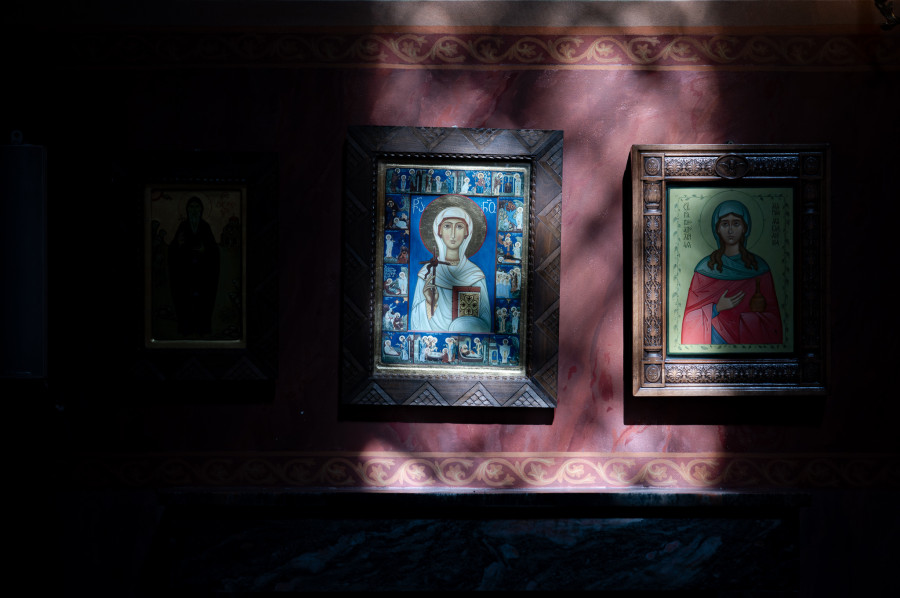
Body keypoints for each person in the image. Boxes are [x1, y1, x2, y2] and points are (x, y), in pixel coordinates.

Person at [681, 198, 782, 345]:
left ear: (745, 228)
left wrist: (754, 317)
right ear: (717, 229)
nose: (730, 230)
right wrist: (717, 308)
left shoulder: (760, 268)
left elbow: (774, 322)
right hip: (715, 338)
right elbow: (689, 320)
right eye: (724, 224)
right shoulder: (704, 269)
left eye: (736, 223)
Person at [410, 198, 491, 333]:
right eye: (447, 226)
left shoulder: (474, 275)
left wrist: (463, 325)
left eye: (459, 227)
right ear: (439, 231)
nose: (453, 234)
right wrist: (429, 303)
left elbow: (485, 324)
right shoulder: (427, 272)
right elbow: (415, 321)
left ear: (467, 232)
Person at [168, 196, 220, 335]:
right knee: (185, 303)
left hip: (203, 274)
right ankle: (185, 330)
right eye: (191, 207)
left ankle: (203, 330)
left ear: (202, 210)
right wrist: (178, 245)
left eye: (197, 207)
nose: (194, 210)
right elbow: (172, 249)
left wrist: (205, 250)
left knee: (203, 304)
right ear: (187, 210)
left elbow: (214, 250)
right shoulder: (183, 226)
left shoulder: (205, 227)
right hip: (185, 274)